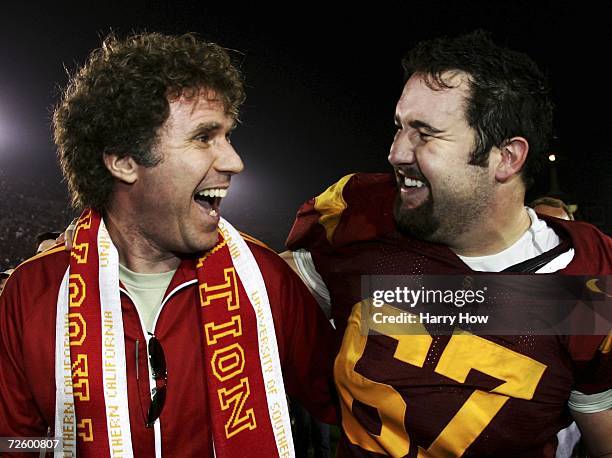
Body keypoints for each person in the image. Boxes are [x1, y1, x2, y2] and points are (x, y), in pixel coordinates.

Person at [0, 32, 336, 457]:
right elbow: (17, 443)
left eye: (227, 136)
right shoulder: (30, 294)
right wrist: (66, 445)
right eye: (203, 137)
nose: (234, 161)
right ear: (123, 160)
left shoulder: (265, 280)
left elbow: (361, 406)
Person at [284, 31, 611, 457]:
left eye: (425, 133)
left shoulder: (581, 276)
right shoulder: (360, 218)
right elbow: (260, 302)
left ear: (507, 158)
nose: (396, 152)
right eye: (399, 127)